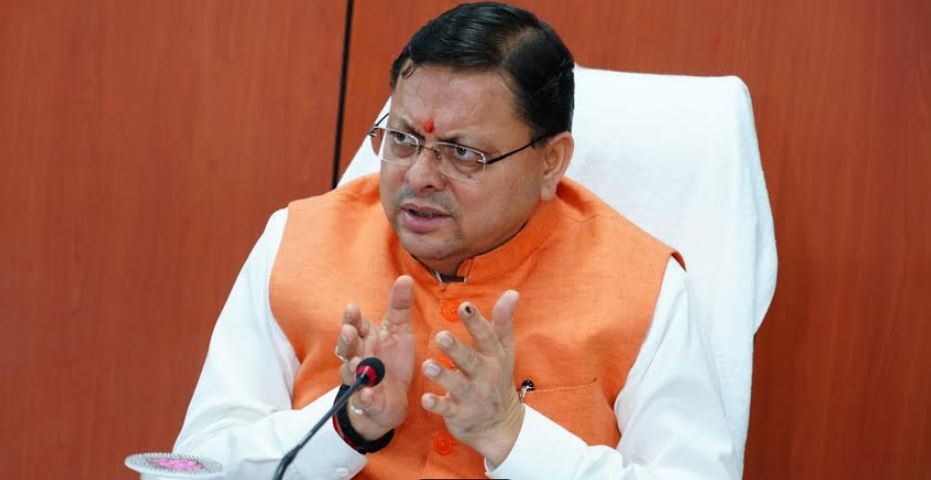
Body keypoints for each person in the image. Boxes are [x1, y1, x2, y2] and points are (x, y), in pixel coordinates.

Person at [173, 2, 738, 478]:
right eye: (402, 139)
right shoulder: (299, 242)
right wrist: (347, 425)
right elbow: (190, 468)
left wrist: (512, 434)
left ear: (551, 162)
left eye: (463, 153)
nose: (419, 175)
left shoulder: (643, 289)